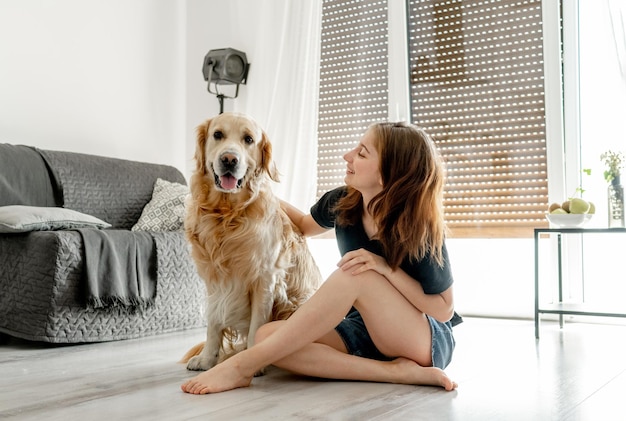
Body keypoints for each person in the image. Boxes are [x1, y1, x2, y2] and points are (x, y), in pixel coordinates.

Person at [181, 121, 461, 394]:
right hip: (361, 329)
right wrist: (257, 196)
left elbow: (443, 309)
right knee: (266, 338)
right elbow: (303, 225)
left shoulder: (419, 226)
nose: (347, 155)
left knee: (357, 271)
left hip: (425, 339)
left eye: (362, 153)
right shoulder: (343, 201)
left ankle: (242, 367)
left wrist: (384, 269)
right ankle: (396, 373)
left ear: (387, 174)